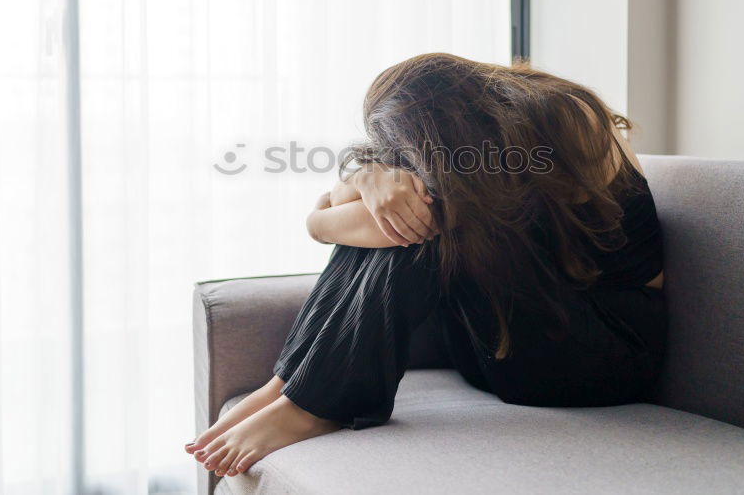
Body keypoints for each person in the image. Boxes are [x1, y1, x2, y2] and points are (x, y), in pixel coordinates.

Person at [184, 53, 666, 477]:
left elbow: (390, 217)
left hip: (601, 356)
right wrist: (372, 178)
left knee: (427, 222)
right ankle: (290, 383)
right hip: (499, 350)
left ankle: (317, 404)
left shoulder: (566, 117)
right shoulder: (468, 150)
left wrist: (342, 210)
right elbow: (335, 213)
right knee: (411, 215)